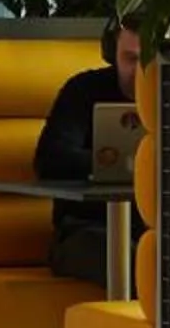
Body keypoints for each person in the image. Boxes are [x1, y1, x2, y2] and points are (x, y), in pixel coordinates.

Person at [35, 20, 142, 285]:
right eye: (130, 59)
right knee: (132, 259)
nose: (139, 72)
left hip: (157, 231)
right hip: (84, 230)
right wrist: (112, 163)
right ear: (112, 53)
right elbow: (50, 159)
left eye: (150, 61)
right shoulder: (83, 91)